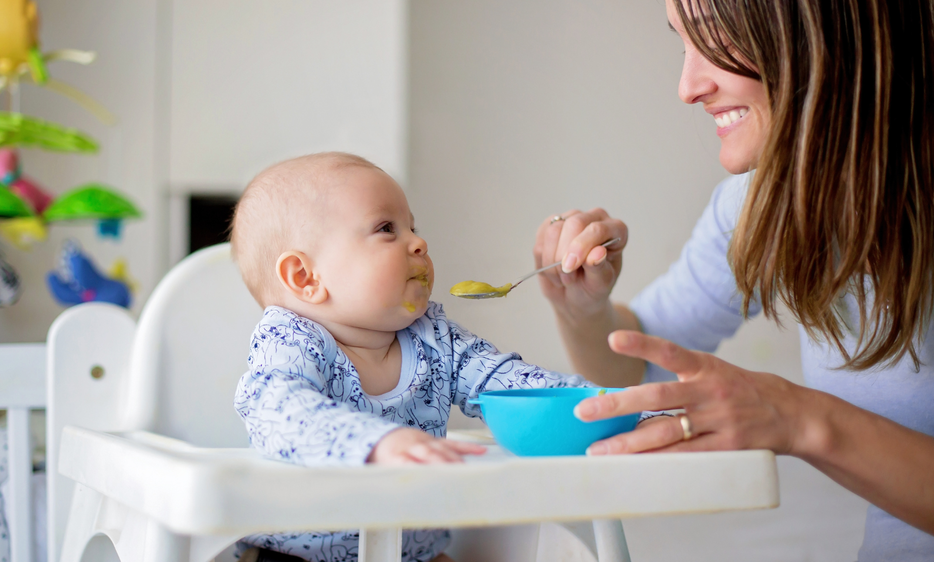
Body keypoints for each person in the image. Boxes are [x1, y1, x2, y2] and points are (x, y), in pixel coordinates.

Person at [531, 0, 934, 560]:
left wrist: (801, 419)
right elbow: (639, 366)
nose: (687, 87)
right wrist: (583, 309)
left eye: (716, 37)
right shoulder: (759, 206)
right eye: (682, 43)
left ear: (825, 28)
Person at [229, 152, 596, 562]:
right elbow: (279, 410)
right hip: (293, 556)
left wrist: (611, 407)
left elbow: (514, 383)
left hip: (412, 554)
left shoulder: (435, 340)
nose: (419, 243)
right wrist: (376, 443)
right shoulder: (290, 342)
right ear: (305, 277)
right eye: (386, 228)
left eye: (412, 227)